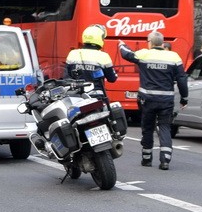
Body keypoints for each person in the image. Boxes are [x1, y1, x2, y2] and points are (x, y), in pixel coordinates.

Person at [119, 31, 188, 170]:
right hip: (166, 100)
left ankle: (146, 158)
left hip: (147, 99)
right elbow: (181, 78)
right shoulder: (173, 57)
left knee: (148, 127)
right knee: (164, 127)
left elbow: (127, 54)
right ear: (162, 43)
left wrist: (121, 45)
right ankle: (165, 160)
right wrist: (184, 98)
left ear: (149, 42)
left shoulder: (144, 54)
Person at [65, 24, 118, 92]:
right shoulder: (103, 56)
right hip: (96, 95)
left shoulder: (73, 53)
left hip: (76, 95)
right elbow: (112, 79)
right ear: (99, 39)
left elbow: (66, 77)